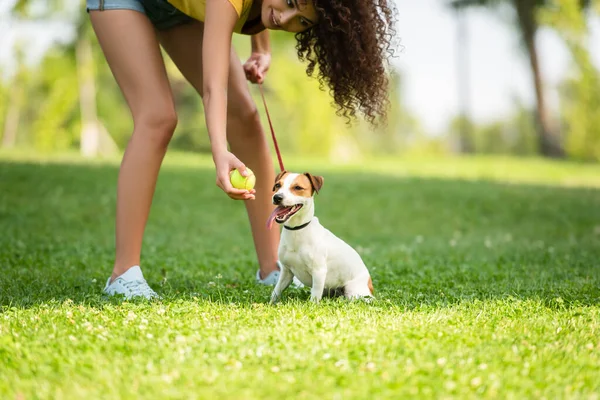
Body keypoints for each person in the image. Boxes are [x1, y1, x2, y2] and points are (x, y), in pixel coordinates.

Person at [86, 0, 398, 299]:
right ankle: (123, 274)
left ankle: (272, 267)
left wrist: (261, 49)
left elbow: (261, 8)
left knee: (246, 117)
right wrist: (219, 151)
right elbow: (213, 86)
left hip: (179, 7)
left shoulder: (273, 11)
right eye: (290, 1)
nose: (286, 19)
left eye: (302, 22)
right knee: (158, 116)